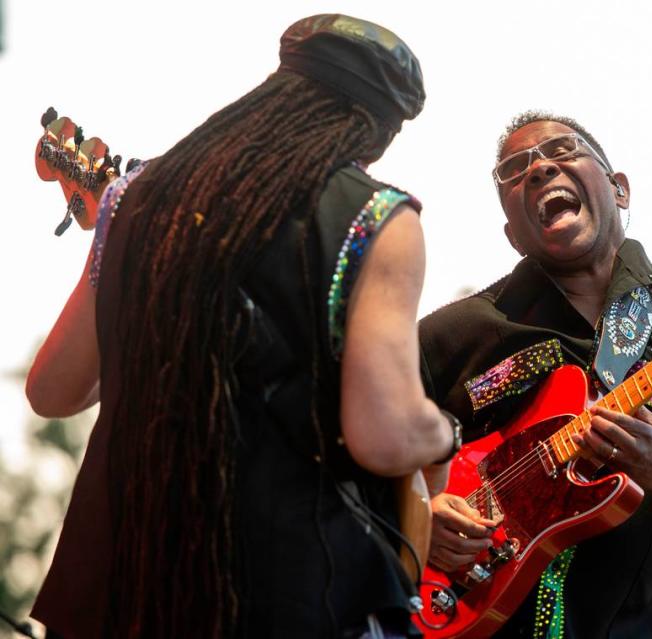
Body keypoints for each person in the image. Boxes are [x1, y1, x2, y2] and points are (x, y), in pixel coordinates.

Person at [27, 14, 458, 638]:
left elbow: (51, 390)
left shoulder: (133, 198)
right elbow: (385, 436)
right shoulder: (378, 216)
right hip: (279, 598)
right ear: (375, 134)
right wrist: (443, 431)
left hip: (118, 595)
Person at [418, 111, 652, 638]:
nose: (539, 170)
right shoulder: (453, 334)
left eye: (562, 150)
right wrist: (422, 517)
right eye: (515, 171)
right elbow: (357, 467)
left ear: (619, 189)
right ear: (512, 233)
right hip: (466, 613)